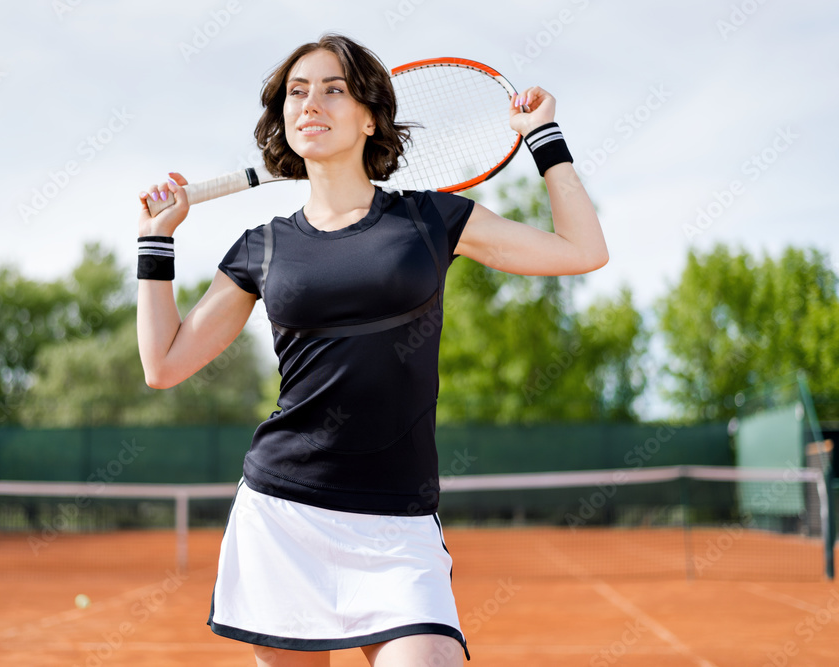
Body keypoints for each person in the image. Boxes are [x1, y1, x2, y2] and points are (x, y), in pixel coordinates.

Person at [136, 33, 607, 667]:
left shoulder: (432, 220)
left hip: (398, 525)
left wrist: (544, 140)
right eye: (296, 93)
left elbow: (583, 251)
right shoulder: (261, 246)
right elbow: (163, 365)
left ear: (369, 117)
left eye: (334, 89)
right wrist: (155, 241)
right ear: (282, 118)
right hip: (284, 515)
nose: (311, 103)